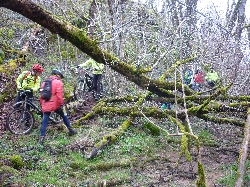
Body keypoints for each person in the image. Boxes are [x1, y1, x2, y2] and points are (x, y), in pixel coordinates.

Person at [39, 69, 76, 145]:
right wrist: (61, 104)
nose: (60, 78)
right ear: (57, 75)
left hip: (45, 103)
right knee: (64, 115)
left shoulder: (44, 82)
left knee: (45, 120)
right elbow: (59, 96)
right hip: (55, 104)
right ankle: (71, 130)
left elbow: (41, 95)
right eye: (60, 76)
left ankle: (42, 137)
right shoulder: (58, 82)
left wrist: (42, 104)